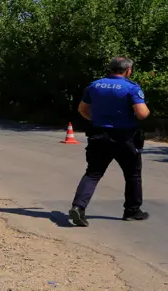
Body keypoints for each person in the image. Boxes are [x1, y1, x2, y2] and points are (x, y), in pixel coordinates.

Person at [69, 56, 150, 227]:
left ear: (110, 69)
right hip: (124, 137)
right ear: (128, 70)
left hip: (98, 134)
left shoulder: (95, 85)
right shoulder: (131, 87)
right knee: (132, 174)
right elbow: (142, 114)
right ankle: (132, 210)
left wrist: (97, 120)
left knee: (92, 173)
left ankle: (78, 207)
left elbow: (82, 109)